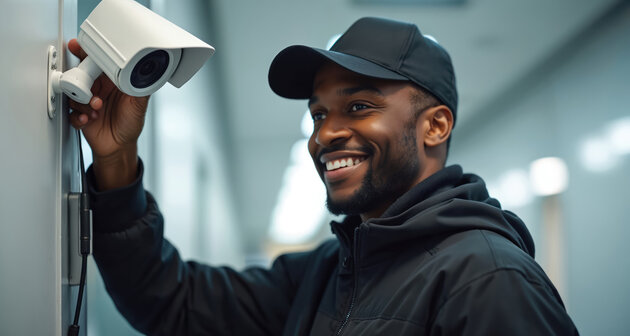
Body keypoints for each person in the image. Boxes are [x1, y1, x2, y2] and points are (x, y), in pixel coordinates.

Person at [69, 17, 578, 335]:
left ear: (435, 125)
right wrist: (116, 160)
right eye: (318, 115)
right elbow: (175, 303)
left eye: (358, 106)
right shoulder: (331, 270)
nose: (325, 135)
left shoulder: (488, 281)